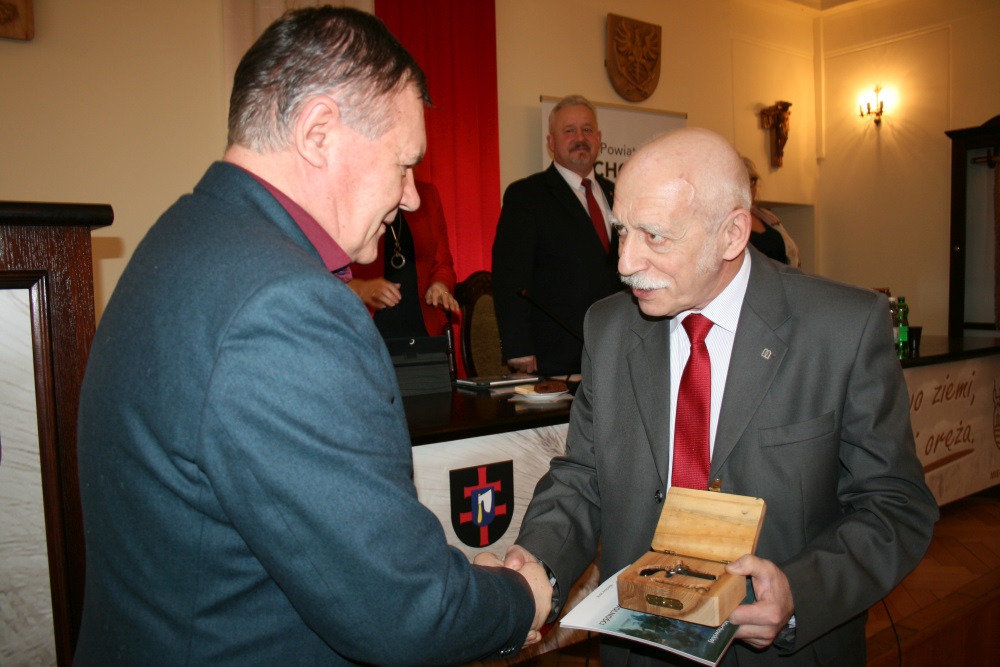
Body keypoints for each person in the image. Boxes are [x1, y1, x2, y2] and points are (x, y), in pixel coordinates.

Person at [73, 7, 550, 666]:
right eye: (404, 164)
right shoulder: (284, 305)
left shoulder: (181, 238)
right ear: (319, 132)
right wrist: (519, 599)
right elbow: (400, 607)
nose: (412, 197)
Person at [503, 127, 938, 666]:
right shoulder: (608, 327)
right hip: (642, 648)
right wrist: (539, 565)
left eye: (655, 236)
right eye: (622, 232)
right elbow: (583, 475)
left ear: (732, 234)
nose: (625, 263)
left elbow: (896, 506)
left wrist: (798, 592)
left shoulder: (842, 328)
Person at [492, 94, 621, 377]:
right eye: (569, 131)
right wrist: (517, 346)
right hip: (557, 357)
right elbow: (510, 278)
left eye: (587, 130)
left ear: (599, 138)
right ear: (551, 143)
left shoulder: (619, 192)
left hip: (619, 349)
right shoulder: (526, 196)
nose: (580, 138)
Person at [348, 179, 460, 338]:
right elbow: (322, 277)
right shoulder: (351, 192)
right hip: (365, 331)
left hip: (423, 330)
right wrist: (362, 289)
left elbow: (443, 265)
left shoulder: (427, 195)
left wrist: (439, 285)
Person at [744, 156, 801, 268]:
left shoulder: (766, 216)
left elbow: (790, 254)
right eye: (746, 182)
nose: (752, 188)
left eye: (753, 182)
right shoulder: (727, 220)